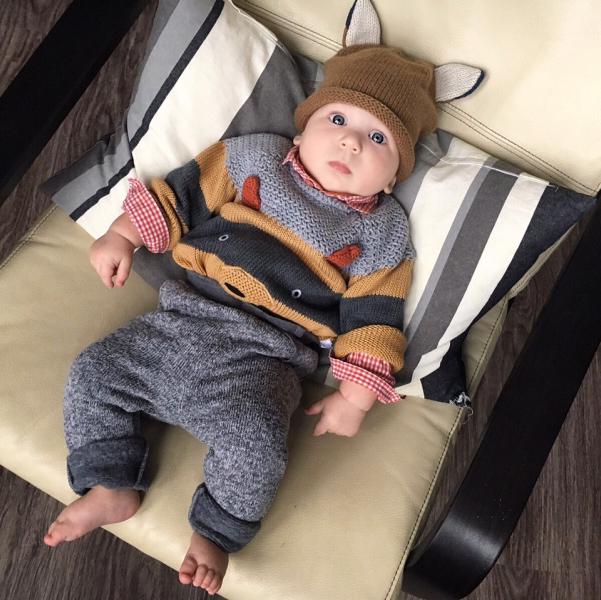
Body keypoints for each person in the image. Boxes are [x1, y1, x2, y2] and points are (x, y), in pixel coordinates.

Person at [43, 44, 437, 596]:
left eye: (378, 139)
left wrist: (354, 398)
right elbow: (181, 196)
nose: (351, 141)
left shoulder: (383, 234)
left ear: (393, 178)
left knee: (257, 446)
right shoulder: (254, 157)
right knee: (93, 373)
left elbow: (375, 319)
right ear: (302, 129)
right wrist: (123, 236)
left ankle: (215, 533)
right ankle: (111, 484)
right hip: (183, 320)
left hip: (266, 360)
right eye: (338, 120)